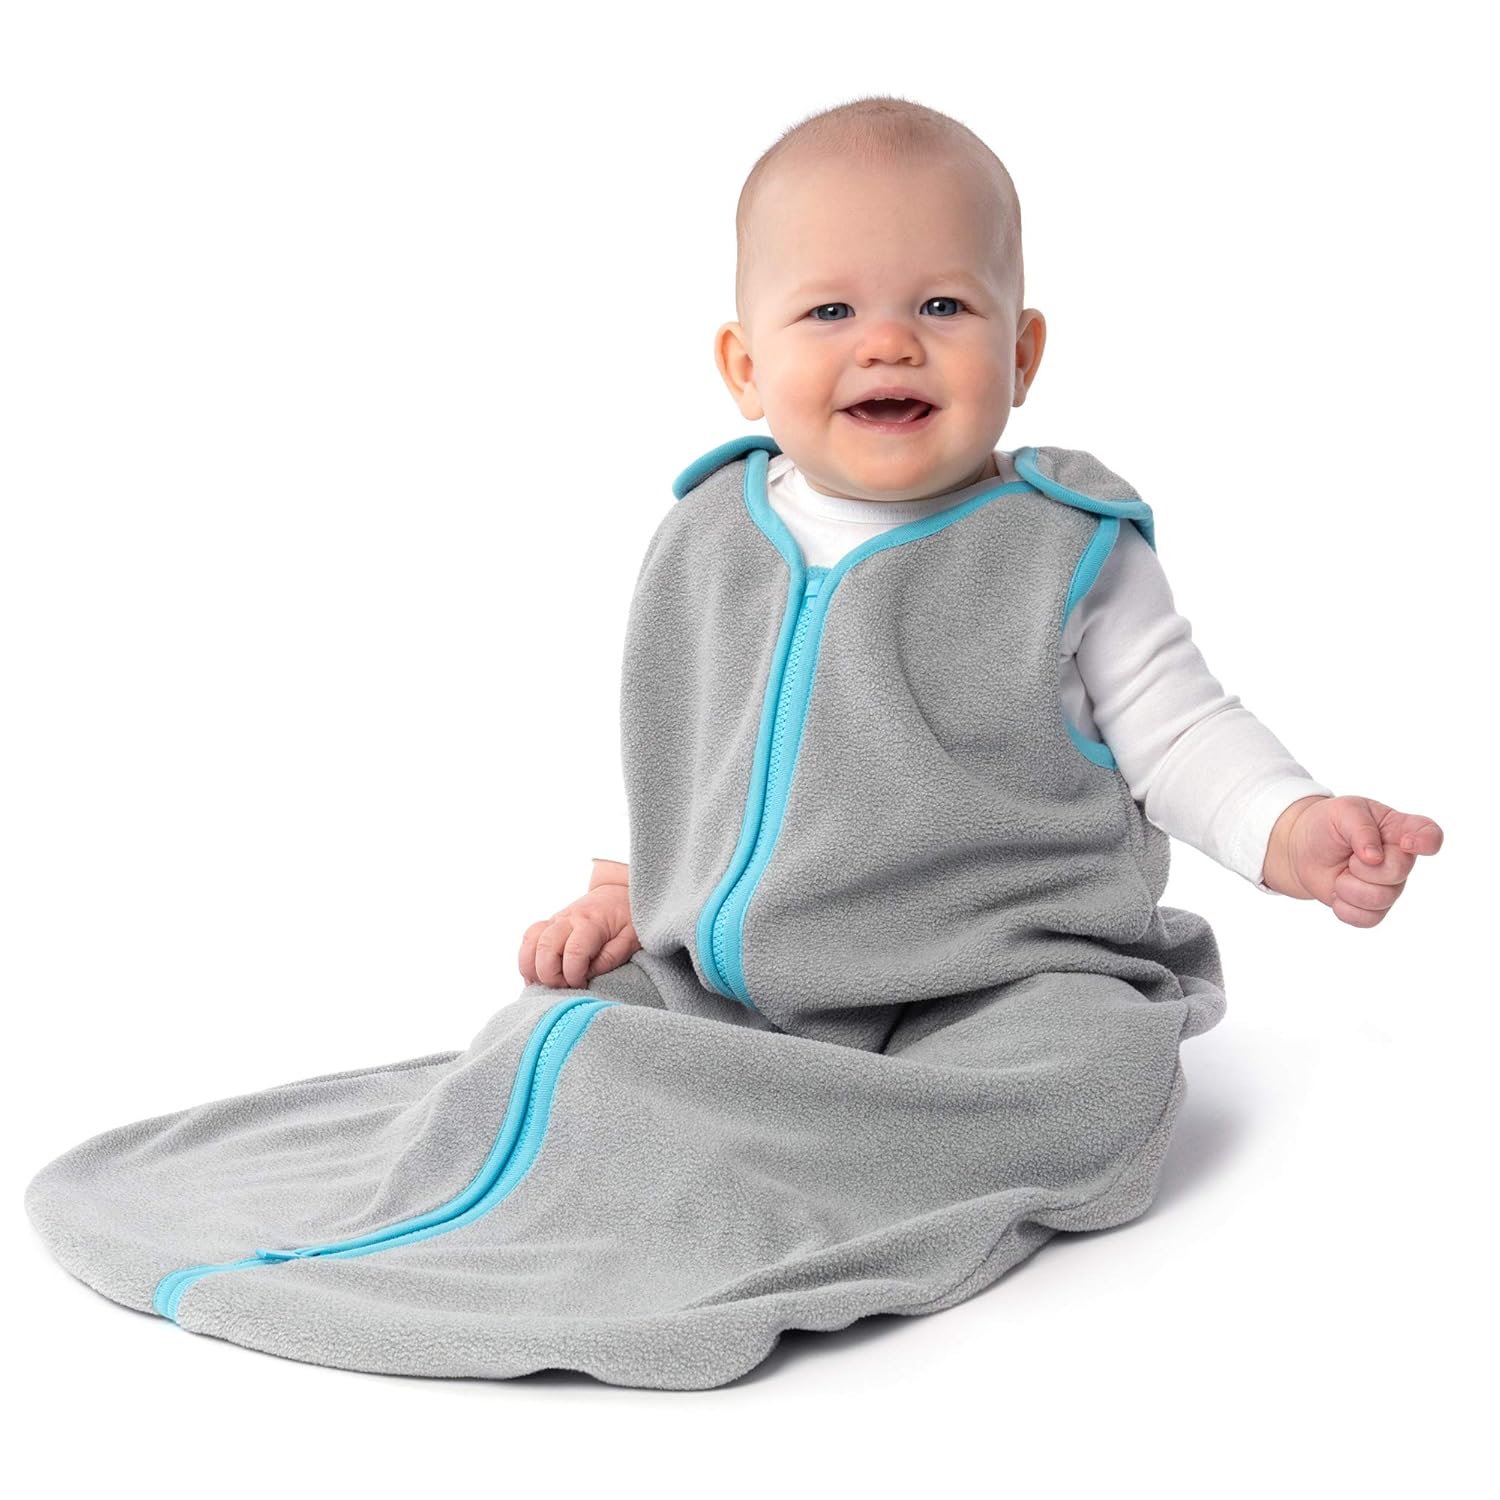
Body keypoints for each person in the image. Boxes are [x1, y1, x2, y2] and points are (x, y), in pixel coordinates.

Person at [518, 94, 1443, 996]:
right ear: (746, 367)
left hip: (1002, 964)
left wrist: (1288, 825)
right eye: (831, 312)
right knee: (564, 1032)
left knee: (1079, 1049)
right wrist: (620, 887)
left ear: (1022, 356)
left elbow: (1180, 735)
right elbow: (670, 732)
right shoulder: (710, 533)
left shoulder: (1063, 548)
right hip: (741, 969)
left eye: (942, 304)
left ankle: (943, 1084)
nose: (888, 343)